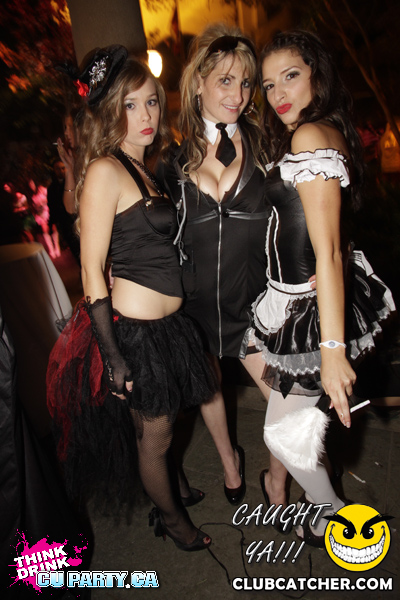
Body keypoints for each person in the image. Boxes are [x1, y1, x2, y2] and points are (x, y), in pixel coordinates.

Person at [47, 46, 217, 551]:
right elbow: (91, 269)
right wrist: (113, 354)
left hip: (165, 327)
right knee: (154, 436)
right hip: (135, 333)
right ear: (109, 111)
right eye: (130, 105)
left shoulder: (141, 167)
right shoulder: (105, 170)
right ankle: (173, 521)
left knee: (164, 422)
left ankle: (174, 486)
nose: (146, 115)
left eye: (151, 102)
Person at [250, 30, 396, 545]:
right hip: (293, 300)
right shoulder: (323, 129)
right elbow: (330, 233)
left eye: (290, 76)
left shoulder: (310, 136)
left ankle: (334, 514)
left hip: (309, 312)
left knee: (280, 433)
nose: (278, 93)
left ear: (317, 73)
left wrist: (333, 351)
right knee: (289, 418)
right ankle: (313, 502)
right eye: (269, 84)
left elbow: (329, 250)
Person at [159, 23, 290, 508]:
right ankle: (230, 462)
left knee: (289, 399)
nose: (238, 95)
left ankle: (276, 481)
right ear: (199, 83)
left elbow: (295, 218)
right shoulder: (171, 163)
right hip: (195, 304)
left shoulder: (268, 147)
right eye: (225, 81)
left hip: (255, 308)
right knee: (208, 386)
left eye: (246, 83)